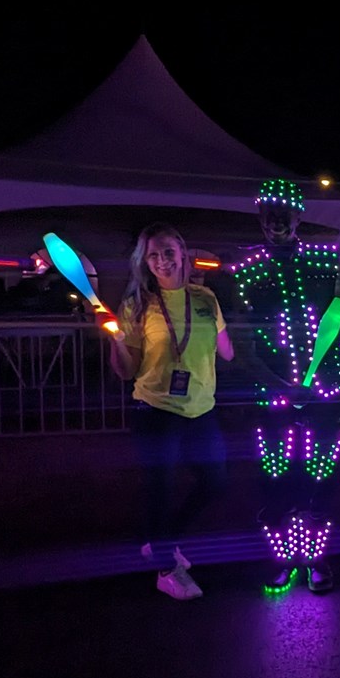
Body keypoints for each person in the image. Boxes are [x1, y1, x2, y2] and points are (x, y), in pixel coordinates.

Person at [232, 179, 340, 593]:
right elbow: (245, 345)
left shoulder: (325, 264)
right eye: (268, 214)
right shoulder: (247, 271)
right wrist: (281, 385)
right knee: (276, 480)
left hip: (324, 397)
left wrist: (335, 382)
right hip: (274, 401)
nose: (276, 222)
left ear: (299, 216)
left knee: (320, 479)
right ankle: (283, 559)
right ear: (259, 217)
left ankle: (316, 559)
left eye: (284, 213)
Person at [107, 223, 234, 601]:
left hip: (201, 407)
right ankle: (165, 570)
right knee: (159, 489)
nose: (162, 260)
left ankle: (163, 541)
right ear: (144, 262)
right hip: (155, 408)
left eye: (168, 252)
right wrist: (116, 340)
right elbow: (126, 370)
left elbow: (227, 351)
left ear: (182, 252)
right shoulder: (138, 305)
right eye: (153, 255)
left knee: (215, 481)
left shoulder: (205, 298)